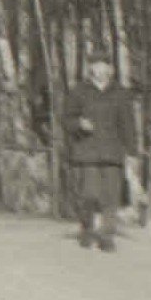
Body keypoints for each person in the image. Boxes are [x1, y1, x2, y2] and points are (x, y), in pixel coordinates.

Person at [58, 58, 139, 252]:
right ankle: (87, 229)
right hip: (87, 152)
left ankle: (106, 236)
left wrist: (132, 152)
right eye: (96, 66)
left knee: (111, 197)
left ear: (111, 69)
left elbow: (128, 125)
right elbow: (66, 119)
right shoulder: (79, 91)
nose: (100, 70)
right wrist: (79, 123)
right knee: (89, 194)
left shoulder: (121, 93)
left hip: (113, 152)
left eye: (104, 66)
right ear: (90, 69)